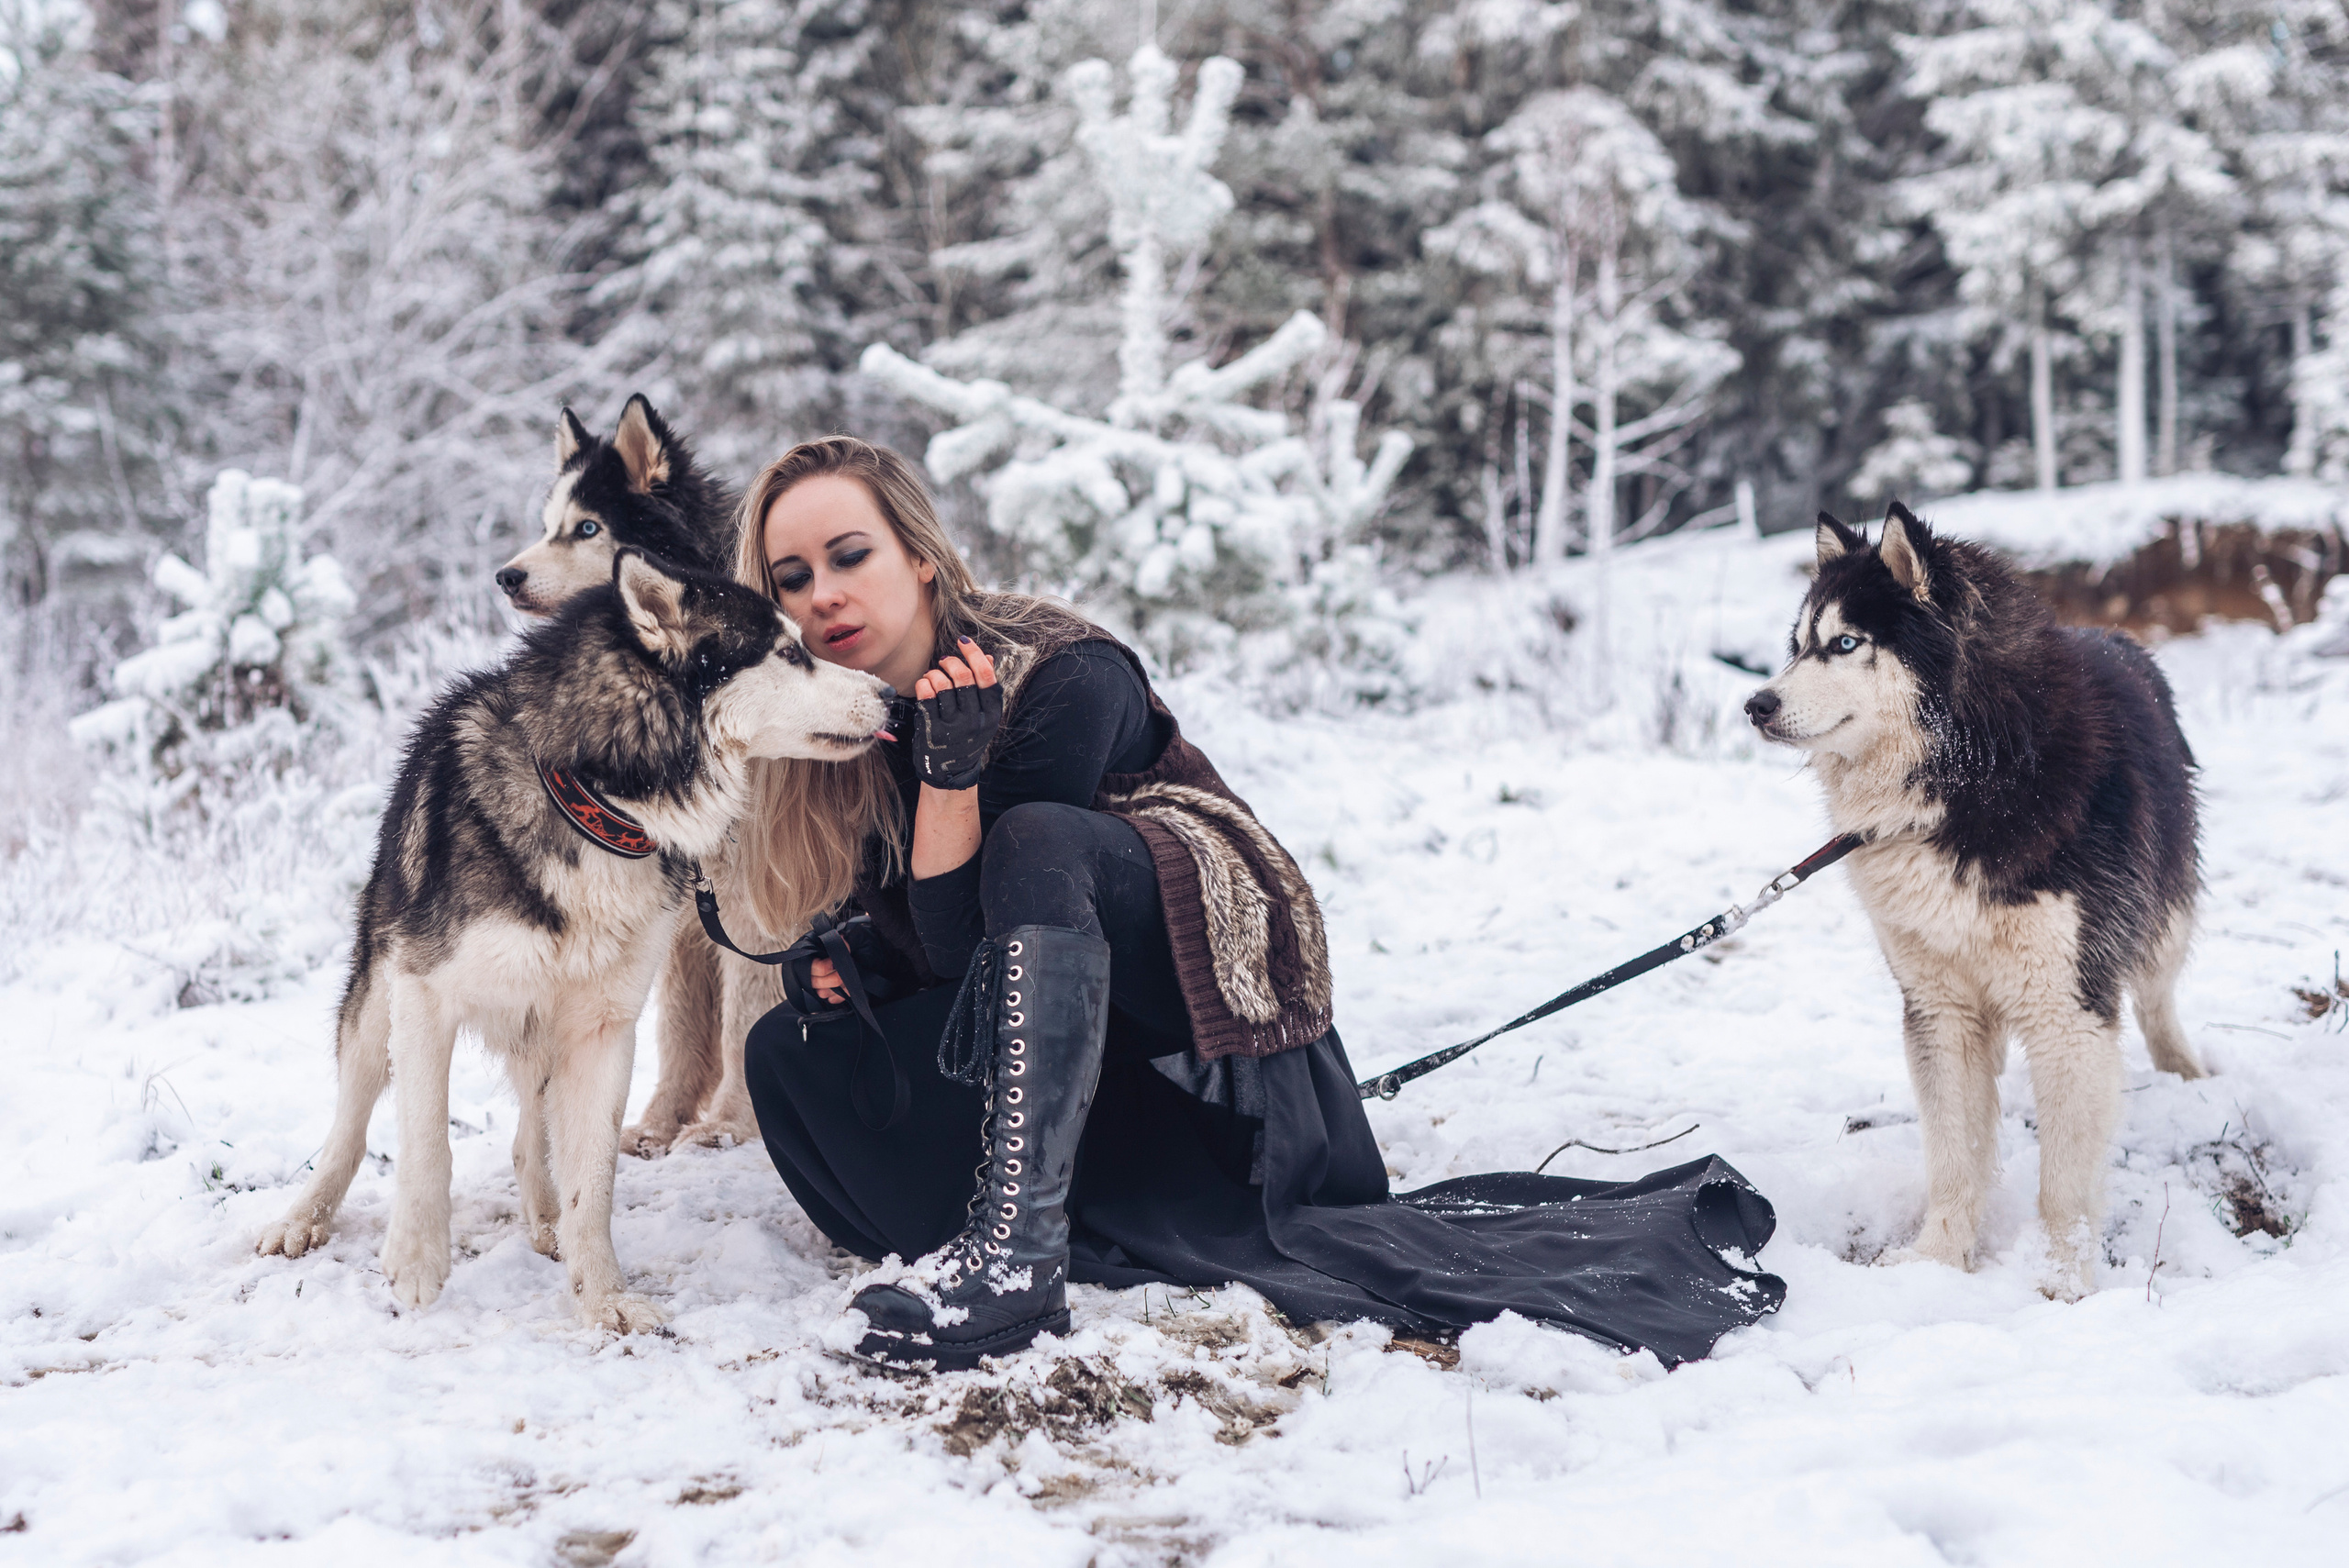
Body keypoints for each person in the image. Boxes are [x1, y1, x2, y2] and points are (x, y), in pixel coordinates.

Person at [728, 436, 1785, 1371]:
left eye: (848, 554)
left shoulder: (1063, 672)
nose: (821, 593)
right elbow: (938, 949)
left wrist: (950, 779)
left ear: (919, 554)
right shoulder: (854, 726)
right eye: (791, 577)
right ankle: (1007, 1216)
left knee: (1032, 834)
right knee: (791, 1049)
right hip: (1061, 1048)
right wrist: (858, 951)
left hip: (1205, 1034)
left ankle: (1019, 1253)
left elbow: (985, 924)